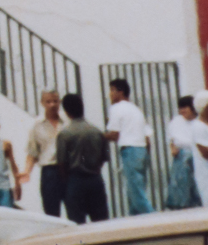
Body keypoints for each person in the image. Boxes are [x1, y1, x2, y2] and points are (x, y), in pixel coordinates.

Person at [55, 93, 110, 224]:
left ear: (67, 111)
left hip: (75, 181)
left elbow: (61, 163)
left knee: (77, 224)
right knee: (101, 222)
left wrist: (67, 182)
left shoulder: (64, 134)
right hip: (96, 180)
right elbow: (104, 157)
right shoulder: (97, 132)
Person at [104, 77, 154, 214]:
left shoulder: (116, 108)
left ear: (119, 92)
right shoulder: (136, 110)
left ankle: (156, 221)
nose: (110, 94)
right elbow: (147, 137)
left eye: (111, 90)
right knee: (134, 193)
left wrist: (98, 135)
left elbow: (114, 134)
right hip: (142, 150)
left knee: (137, 195)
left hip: (130, 151)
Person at [20, 90, 65, 218]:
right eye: (48, 101)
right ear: (42, 103)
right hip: (49, 172)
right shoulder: (37, 125)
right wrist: (27, 171)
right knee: (51, 213)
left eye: (55, 101)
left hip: (68, 170)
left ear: (59, 102)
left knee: (74, 208)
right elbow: (33, 152)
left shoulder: (67, 121)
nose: (52, 105)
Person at [164, 95, 202, 210]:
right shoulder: (176, 121)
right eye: (180, 108)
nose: (182, 111)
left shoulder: (199, 122)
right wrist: (172, 147)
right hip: (183, 157)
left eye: (185, 107)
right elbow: (172, 139)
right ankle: (181, 204)